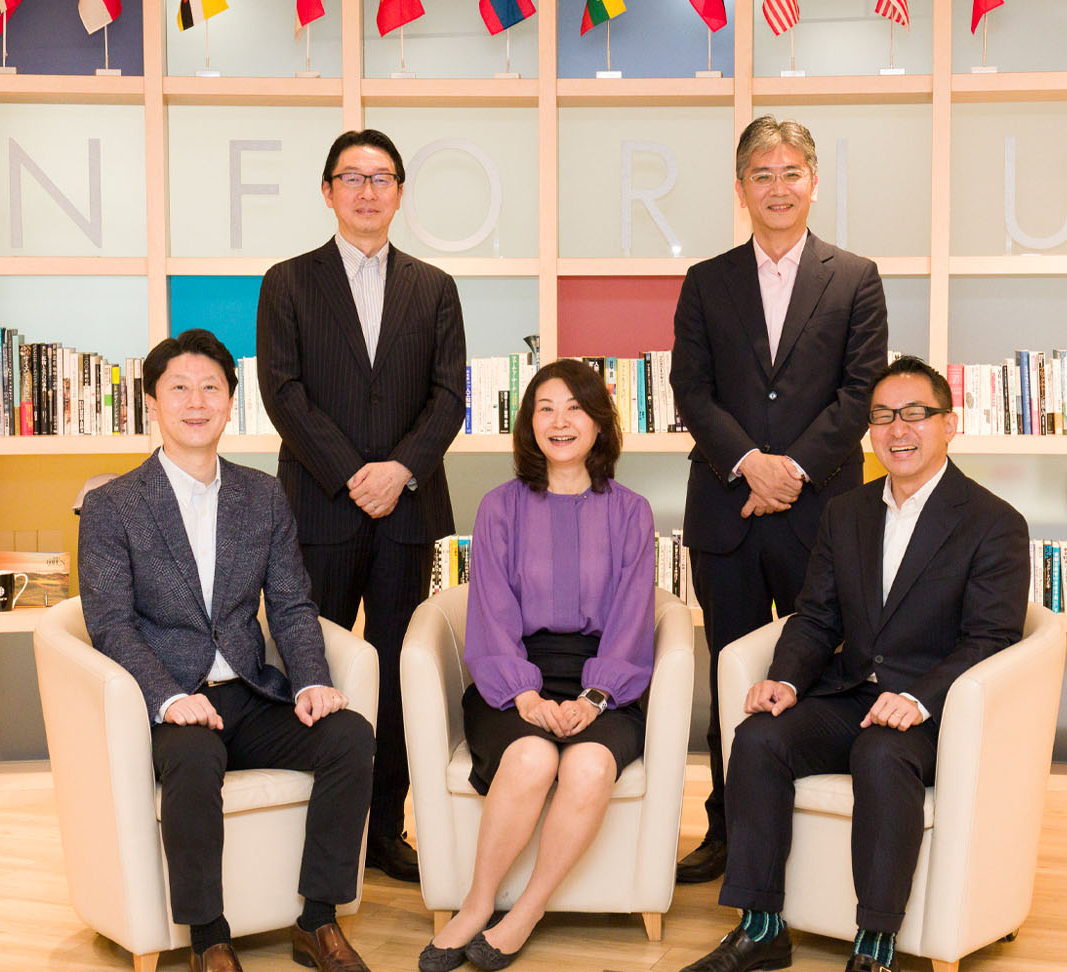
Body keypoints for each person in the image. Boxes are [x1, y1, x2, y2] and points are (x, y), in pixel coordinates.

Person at [678, 356, 1030, 972]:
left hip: (933, 711)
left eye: (915, 414)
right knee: (757, 738)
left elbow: (991, 637)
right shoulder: (846, 512)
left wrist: (918, 698)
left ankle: (875, 944)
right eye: (884, 416)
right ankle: (761, 928)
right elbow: (816, 617)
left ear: (950, 424)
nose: (899, 430)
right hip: (852, 693)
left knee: (881, 753)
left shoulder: (993, 522)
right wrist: (785, 679)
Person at [79, 329, 378, 972]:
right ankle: (209, 938)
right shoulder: (111, 506)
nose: (196, 402)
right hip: (174, 702)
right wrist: (168, 697)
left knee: (350, 736)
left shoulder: (262, 495)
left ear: (231, 401)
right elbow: (110, 625)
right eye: (179, 388)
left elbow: (291, 603)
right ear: (152, 404)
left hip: (250, 691)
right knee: (191, 762)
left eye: (211, 388)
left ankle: (318, 921)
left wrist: (311, 681)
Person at [669, 115, 889, 883]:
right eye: (761, 175)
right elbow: (690, 389)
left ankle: (808, 834)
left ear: (814, 182)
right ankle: (728, 832)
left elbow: (860, 393)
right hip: (725, 511)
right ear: (741, 190)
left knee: (821, 671)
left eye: (791, 172)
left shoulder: (855, 277)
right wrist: (749, 464)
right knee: (730, 673)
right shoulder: (706, 280)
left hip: (820, 514)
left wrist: (789, 470)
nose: (777, 187)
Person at [258, 129, 467, 884]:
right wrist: (355, 476)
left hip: (409, 513)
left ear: (400, 193)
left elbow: (449, 395)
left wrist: (399, 471)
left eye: (382, 178)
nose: (367, 191)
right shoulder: (287, 282)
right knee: (310, 667)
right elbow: (283, 392)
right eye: (352, 177)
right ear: (327, 191)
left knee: (402, 675)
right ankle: (316, 832)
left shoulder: (434, 287)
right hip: (319, 510)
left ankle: (384, 831)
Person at [418, 359, 657, 972]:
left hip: (607, 680)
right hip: (514, 672)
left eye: (575, 408)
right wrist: (524, 695)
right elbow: (491, 614)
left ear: (599, 423)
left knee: (589, 764)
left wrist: (596, 697)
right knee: (531, 756)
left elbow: (633, 617)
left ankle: (526, 910)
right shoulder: (499, 507)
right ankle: (476, 904)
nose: (560, 421)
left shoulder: (632, 512)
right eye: (545, 409)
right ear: (528, 424)